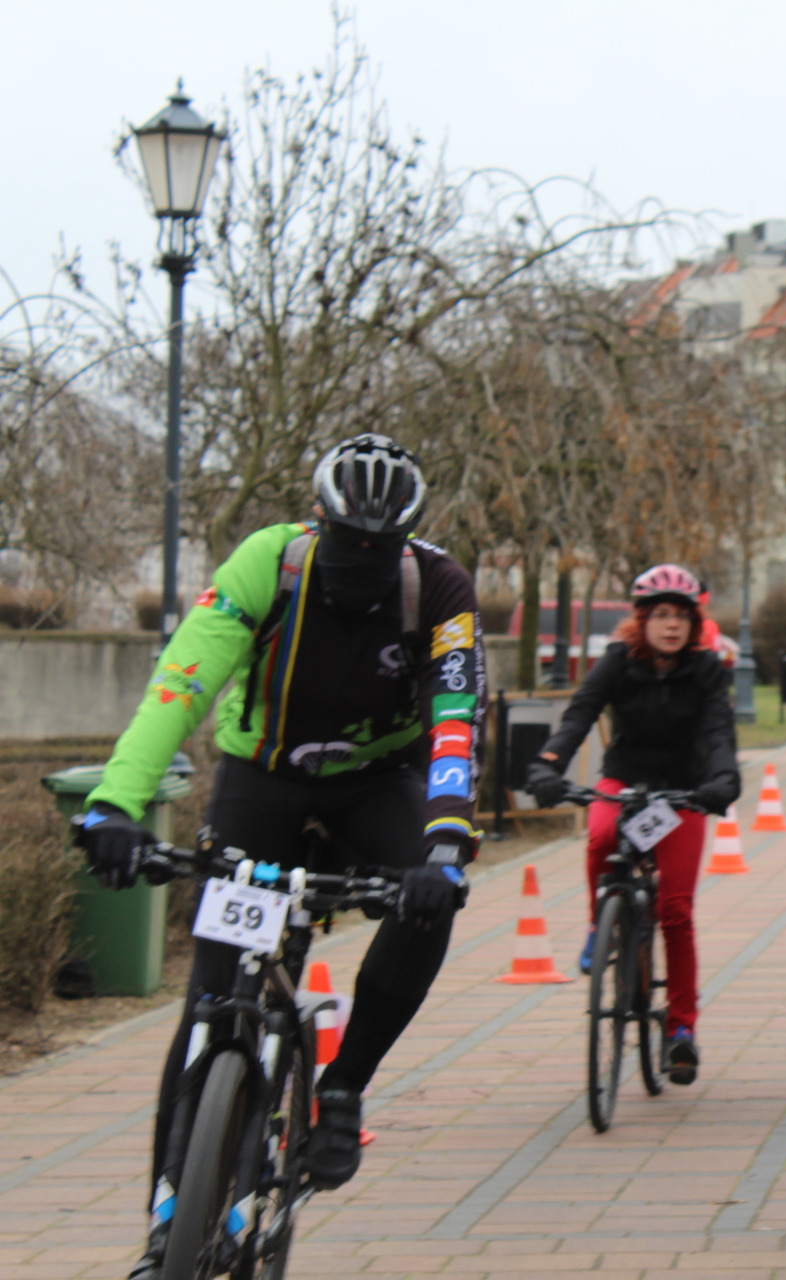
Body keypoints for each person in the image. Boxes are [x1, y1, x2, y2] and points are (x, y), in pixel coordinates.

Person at [72, 434, 483, 1279]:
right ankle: (169, 1218)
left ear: (406, 541)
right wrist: (116, 801)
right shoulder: (270, 562)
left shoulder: (440, 588)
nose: (361, 563)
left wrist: (444, 844)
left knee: (429, 908)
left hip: (378, 781)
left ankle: (343, 1086)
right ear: (318, 522)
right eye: (346, 543)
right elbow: (182, 683)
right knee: (212, 1002)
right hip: (264, 779)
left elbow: (453, 722)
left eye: (380, 549)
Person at [523, 563, 740, 1086]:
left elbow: (717, 732)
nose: (670, 625)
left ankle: (681, 1029)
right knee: (599, 835)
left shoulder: (707, 670)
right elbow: (579, 715)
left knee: (675, 910)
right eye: (659, 615)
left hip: (682, 793)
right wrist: (548, 764)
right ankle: (602, 925)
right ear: (641, 620)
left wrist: (722, 779)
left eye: (680, 616)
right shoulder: (618, 661)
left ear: (695, 623)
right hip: (624, 783)